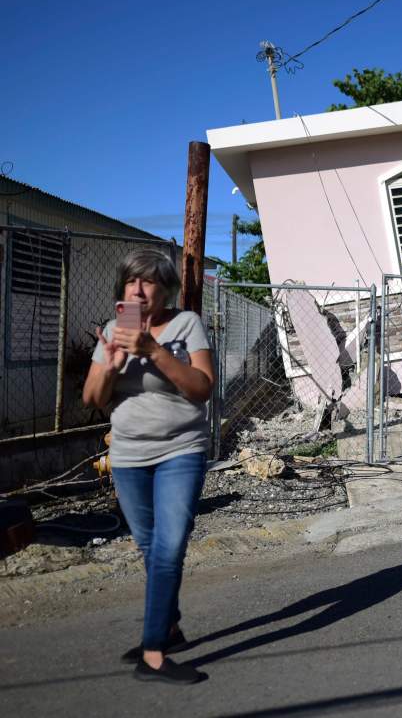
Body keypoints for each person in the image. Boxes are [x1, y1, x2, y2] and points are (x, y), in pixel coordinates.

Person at [82, 249, 213, 685]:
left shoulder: (186, 324)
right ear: (122, 290)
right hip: (128, 457)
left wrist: (154, 351)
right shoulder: (111, 332)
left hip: (181, 450)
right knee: (151, 550)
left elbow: (201, 389)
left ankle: (153, 654)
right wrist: (112, 366)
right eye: (131, 283)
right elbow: (92, 400)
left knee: (169, 547)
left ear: (166, 290)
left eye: (149, 282)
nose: (139, 290)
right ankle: (170, 627)